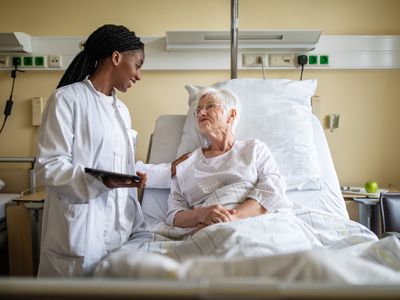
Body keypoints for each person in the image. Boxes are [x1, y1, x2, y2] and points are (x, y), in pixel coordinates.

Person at [35, 24, 172, 277]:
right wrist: (103, 180)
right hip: (79, 234)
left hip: (118, 235)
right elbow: (49, 167)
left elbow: (119, 165)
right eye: (138, 64)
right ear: (116, 57)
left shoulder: (122, 111)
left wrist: (129, 182)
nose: (139, 75)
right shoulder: (66, 99)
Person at [166, 87, 293, 233]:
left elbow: (273, 190)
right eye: (199, 109)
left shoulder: (254, 149)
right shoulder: (186, 163)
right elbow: (174, 216)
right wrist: (201, 215)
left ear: (230, 115)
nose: (201, 113)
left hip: (255, 223)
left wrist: (230, 219)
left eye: (210, 106)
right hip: (206, 230)